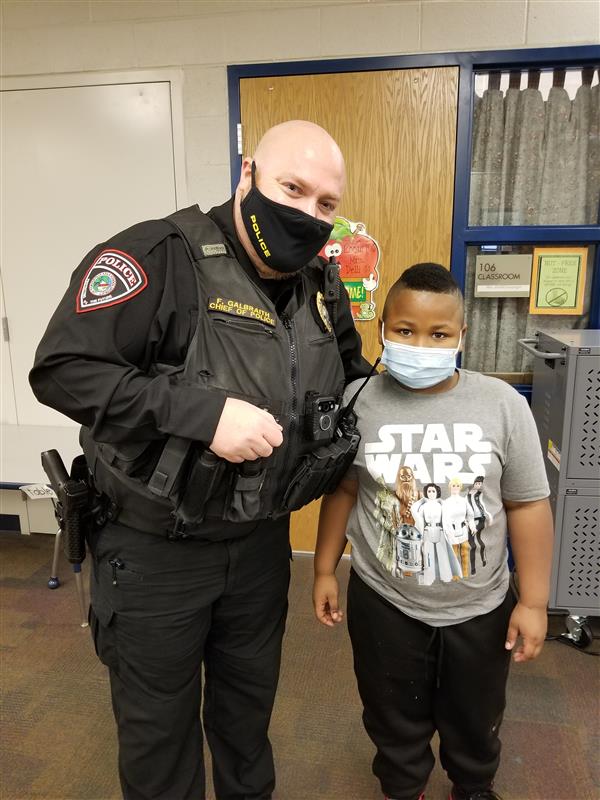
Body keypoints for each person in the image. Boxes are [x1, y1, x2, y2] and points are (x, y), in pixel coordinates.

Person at [29, 120, 371, 800]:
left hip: (261, 545)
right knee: (160, 737)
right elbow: (63, 368)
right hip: (156, 552)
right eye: (291, 188)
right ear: (247, 175)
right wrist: (202, 414)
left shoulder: (321, 289)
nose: (306, 214)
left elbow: (353, 374)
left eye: (325, 204)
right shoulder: (158, 256)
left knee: (248, 726)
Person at [313, 263, 553, 800]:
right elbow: (345, 490)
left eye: (438, 334)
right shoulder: (360, 400)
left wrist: (534, 601)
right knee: (392, 713)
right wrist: (325, 567)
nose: (420, 344)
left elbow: (527, 505)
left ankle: (471, 786)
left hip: (480, 604)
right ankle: (404, 788)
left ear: (461, 336)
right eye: (404, 330)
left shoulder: (503, 406)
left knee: (476, 714)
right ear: (383, 329)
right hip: (386, 600)